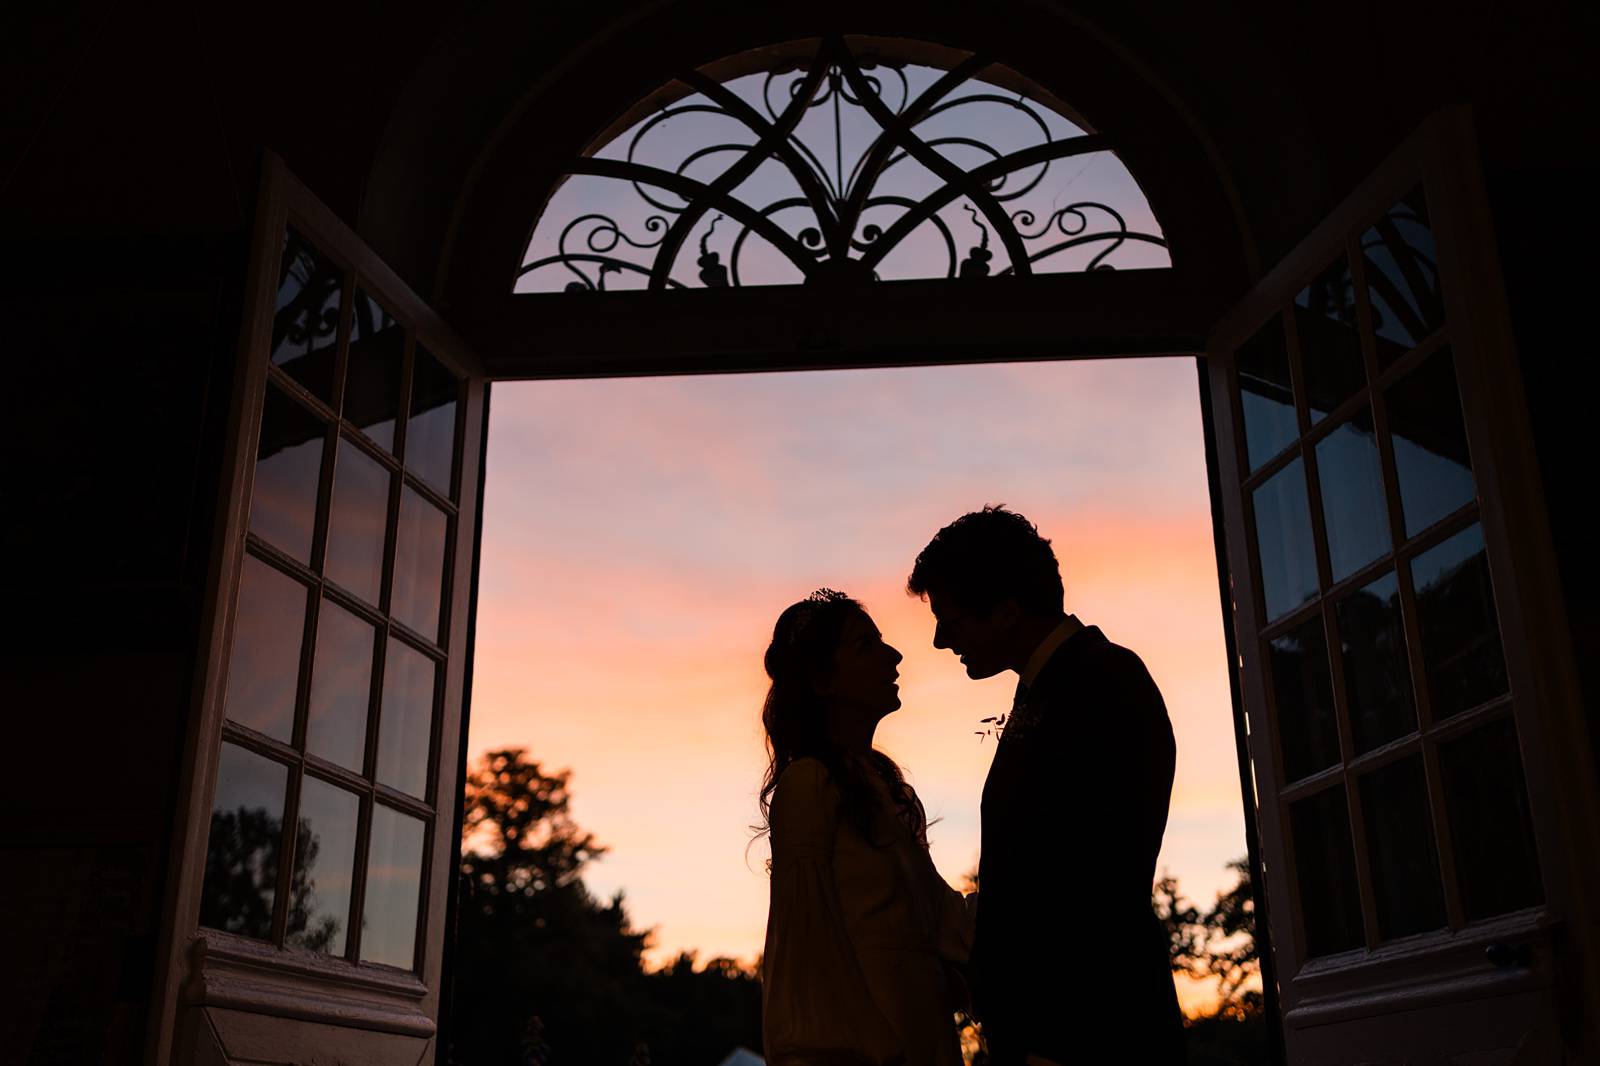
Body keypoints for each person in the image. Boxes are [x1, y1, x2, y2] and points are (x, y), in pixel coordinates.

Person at [908, 506, 1184, 1065]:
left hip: (1088, 1032)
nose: (940, 640)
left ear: (1006, 611)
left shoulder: (1102, 681)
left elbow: (1097, 876)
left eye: (951, 619)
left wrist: (1052, 1038)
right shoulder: (1052, 688)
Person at [758, 589, 973, 1066]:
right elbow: (805, 936)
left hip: (924, 1036)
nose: (893, 656)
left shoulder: (880, 788)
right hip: (867, 1047)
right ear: (822, 679)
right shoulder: (809, 784)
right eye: (866, 645)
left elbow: (941, 919)